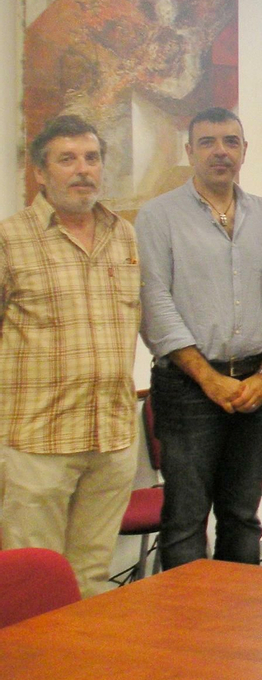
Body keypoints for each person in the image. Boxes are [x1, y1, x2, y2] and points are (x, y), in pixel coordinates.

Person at [137, 108, 262, 570]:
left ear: (245, 151)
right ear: (189, 151)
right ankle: (187, 635)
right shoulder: (158, 216)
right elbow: (156, 307)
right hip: (187, 390)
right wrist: (209, 380)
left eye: (230, 141)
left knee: (242, 517)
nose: (220, 151)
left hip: (254, 385)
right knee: (186, 519)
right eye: (207, 142)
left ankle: (239, 628)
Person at [0, 115, 139, 597]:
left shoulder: (123, 235)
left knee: (92, 576)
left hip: (112, 436)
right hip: (37, 440)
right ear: (40, 172)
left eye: (91, 158)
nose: (83, 170)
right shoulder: (10, 238)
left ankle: (84, 674)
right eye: (67, 159)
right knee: (32, 582)